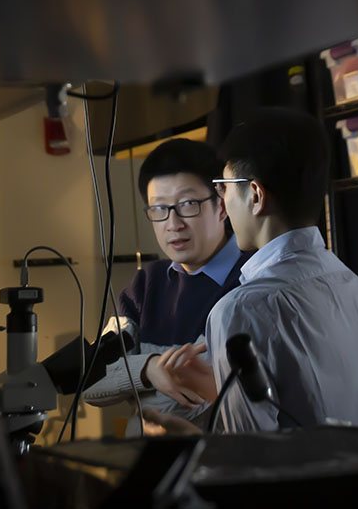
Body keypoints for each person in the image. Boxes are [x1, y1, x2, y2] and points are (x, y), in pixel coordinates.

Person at [147, 108, 358, 434]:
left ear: (256, 195)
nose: (223, 201)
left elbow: (247, 457)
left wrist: (185, 439)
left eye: (224, 187)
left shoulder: (241, 310)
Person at [83, 138, 252, 433]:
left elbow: (216, 394)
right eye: (159, 209)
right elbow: (92, 380)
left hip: (215, 459)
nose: (173, 224)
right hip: (144, 459)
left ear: (222, 205)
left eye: (187, 205)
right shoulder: (146, 285)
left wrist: (137, 380)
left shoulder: (250, 279)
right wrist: (149, 369)